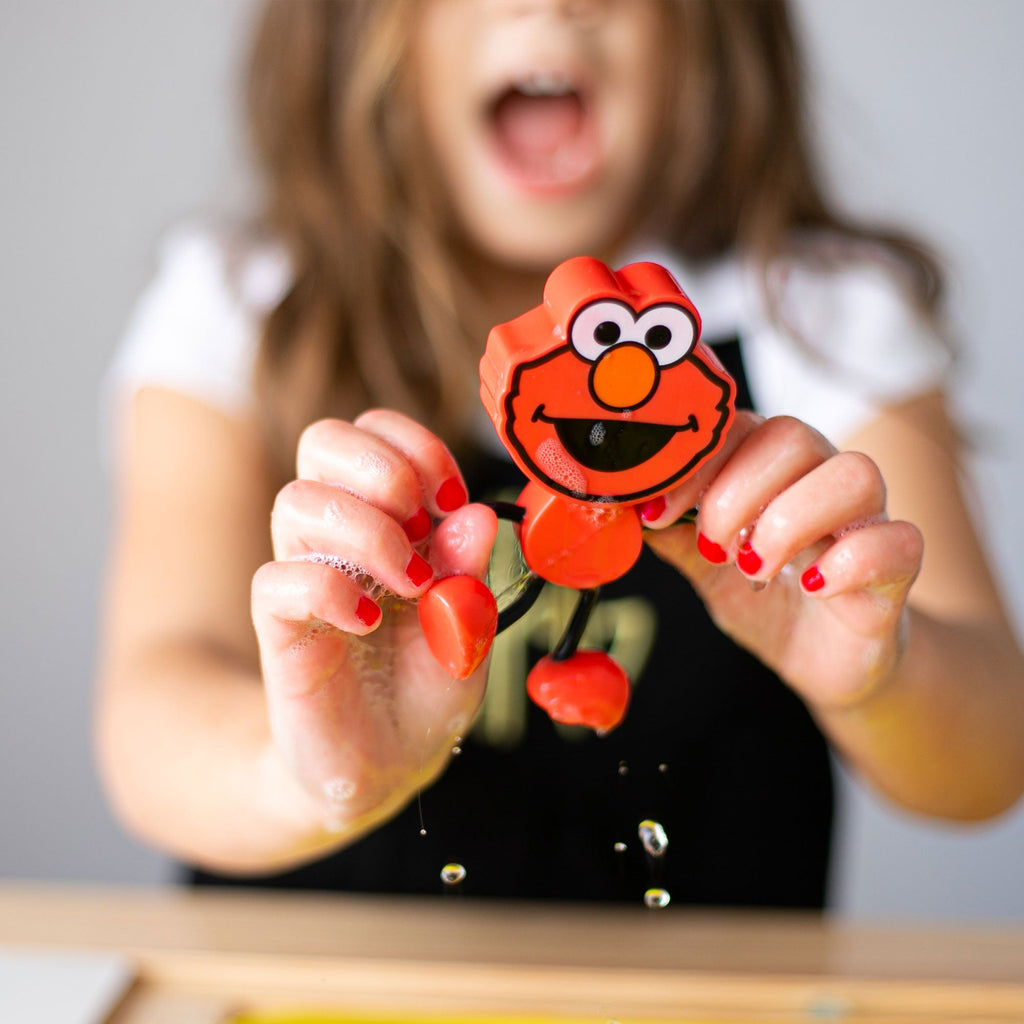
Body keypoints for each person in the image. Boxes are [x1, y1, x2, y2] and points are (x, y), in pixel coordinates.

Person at [96, 0, 1024, 907]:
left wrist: (882, 673)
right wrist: (306, 776)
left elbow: (990, 760)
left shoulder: (824, 318)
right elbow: (151, 717)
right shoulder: (237, 308)